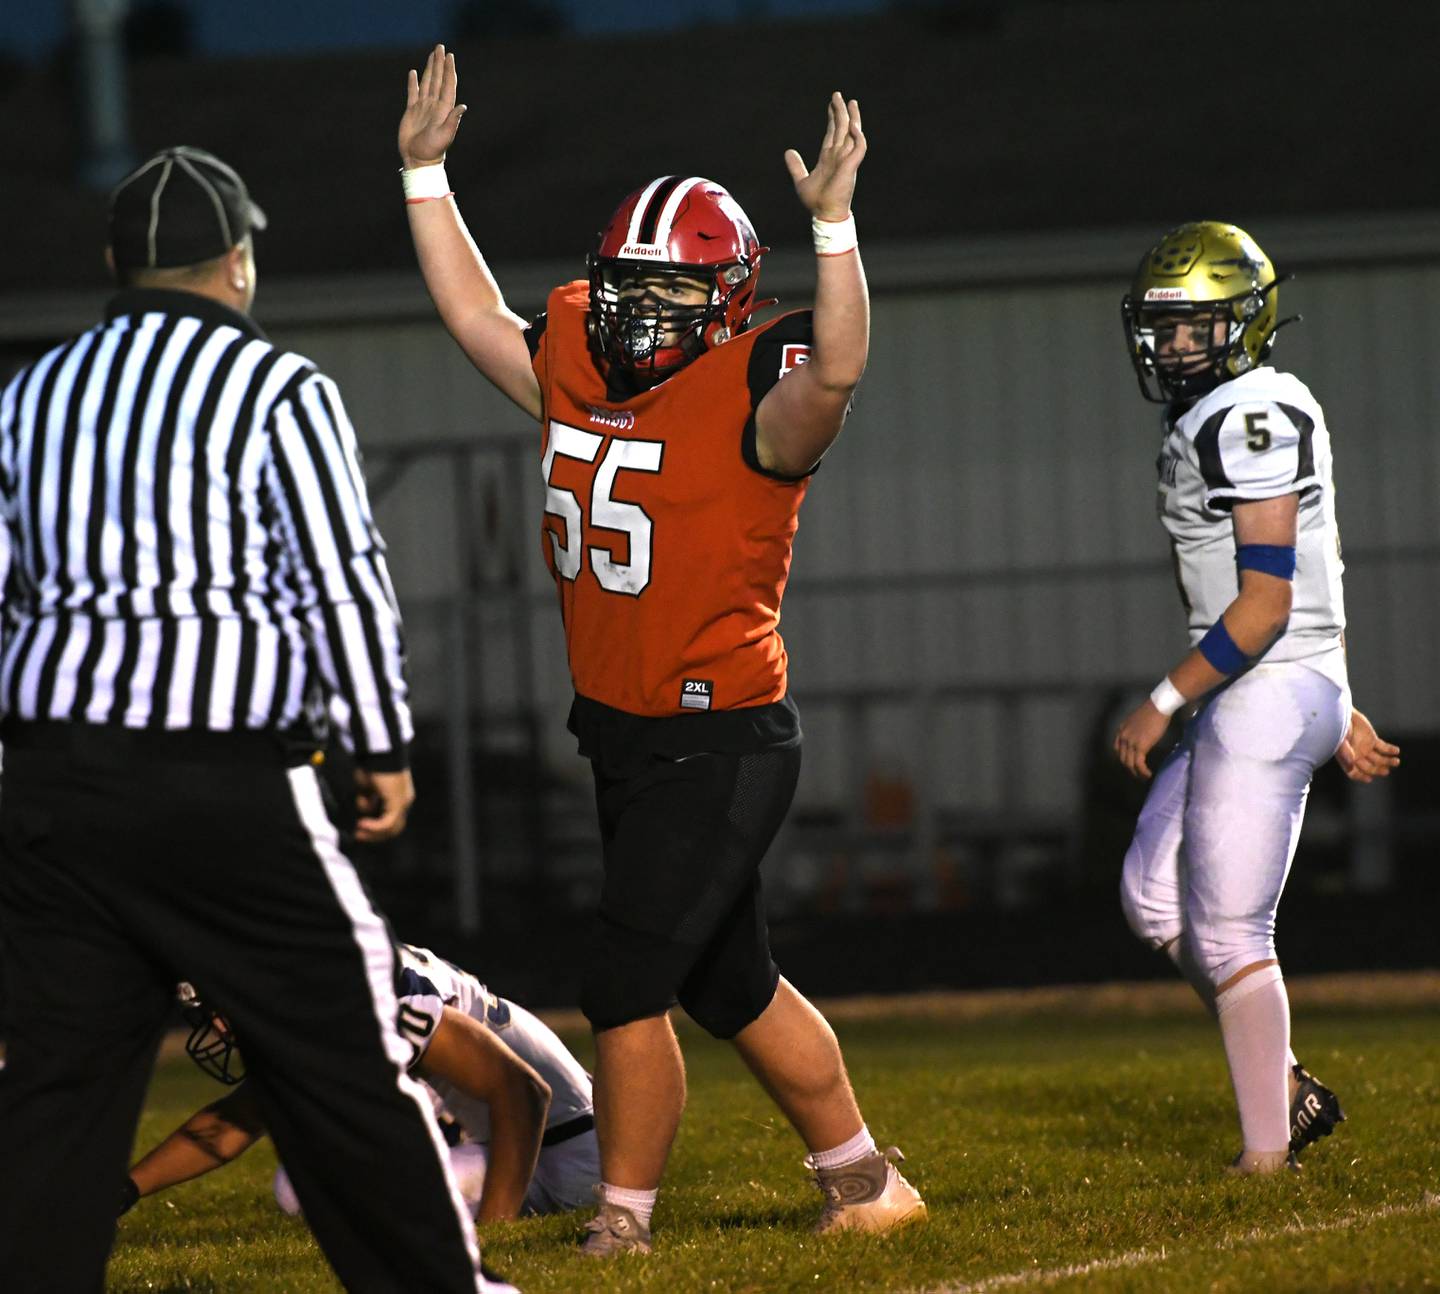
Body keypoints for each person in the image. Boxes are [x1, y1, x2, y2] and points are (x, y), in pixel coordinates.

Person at [395, 45, 925, 1254]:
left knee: (624, 979)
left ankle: (623, 1225)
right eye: (625, 286)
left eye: (673, 296)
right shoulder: (575, 355)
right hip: (624, 731)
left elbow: (838, 364)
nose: (638, 312)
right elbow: (478, 312)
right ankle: (867, 1185)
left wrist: (835, 226)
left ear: (732, 301)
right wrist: (428, 180)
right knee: (731, 983)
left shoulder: (764, 387)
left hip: (720, 730)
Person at [0, 146, 510, 1292]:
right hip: (219, 780)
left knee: (57, 1084)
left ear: (115, 265)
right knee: (337, 1055)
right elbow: (340, 578)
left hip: (52, 785)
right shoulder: (277, 389)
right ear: (237, 261)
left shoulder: (31, 396)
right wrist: (380, 746)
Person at [1114, 221, 1401, 1175]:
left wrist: (1162, 698)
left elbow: (1270, 600)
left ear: (1246, 323)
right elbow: (1318, 569)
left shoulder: (1250, 410)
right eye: (1162, 327)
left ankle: (1266, 1156)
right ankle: (1281, 1086)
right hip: (1272, 684)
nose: (1172, 346)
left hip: (1262, 684)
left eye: (1195, 326)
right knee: (1156, 899)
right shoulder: (1223, 409)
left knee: (1232, 927)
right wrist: (1341, 694)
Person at [121, 942, 599, 1222]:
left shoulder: (373, 995)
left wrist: (497, 1229)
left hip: (565, 1156)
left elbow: (525, 1094)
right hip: (530, 1139)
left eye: (222, 1012)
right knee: (307, 1180)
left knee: (308, 1185)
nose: (222, 1030)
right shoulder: (323, 987)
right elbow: (234, 1123)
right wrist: (122, 1192)